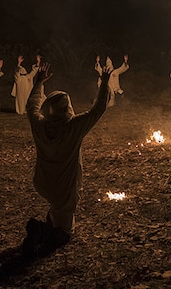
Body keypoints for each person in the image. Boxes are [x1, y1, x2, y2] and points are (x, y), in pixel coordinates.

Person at [23, 61, 112, 255]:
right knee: (66, 233)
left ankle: (49, 223)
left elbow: (31, 106)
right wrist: (105, 83)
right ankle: (41, 231)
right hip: (65, 189)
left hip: (43, 183)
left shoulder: (39, 125)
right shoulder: (73, 127)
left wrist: (38, 83)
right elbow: (97, 110)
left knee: (57, 209)